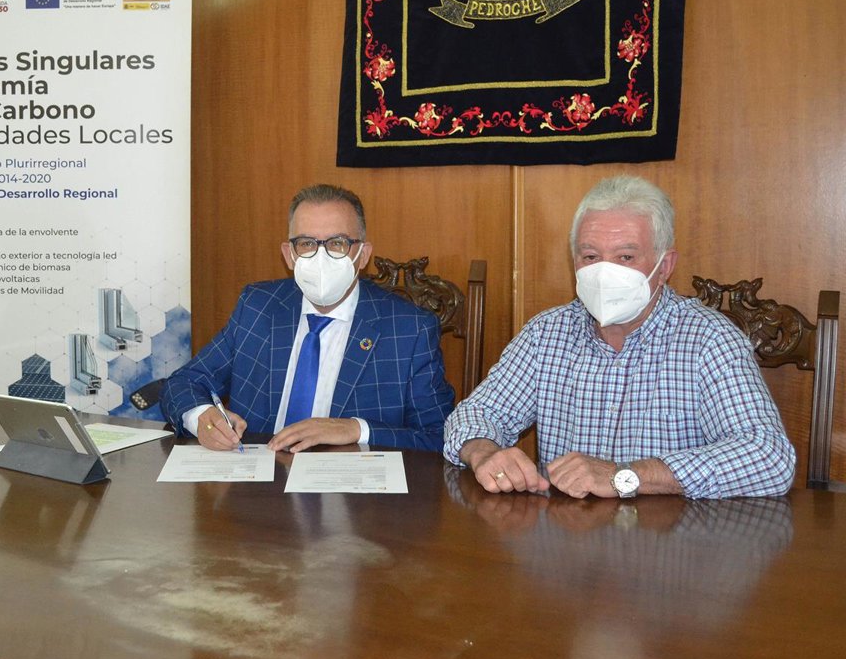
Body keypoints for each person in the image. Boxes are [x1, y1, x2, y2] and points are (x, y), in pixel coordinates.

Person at [443, 175, 795, 498]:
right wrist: (484, 452)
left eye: (625, 257)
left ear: (665, 266)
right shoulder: (545, 334)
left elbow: (770, 457)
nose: (604, 272)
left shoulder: (710, 340)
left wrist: (627, 476)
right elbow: (476, 413)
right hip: (566, 537)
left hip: (669, 541)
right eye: (591, 256)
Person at [161, 183, 454, 452]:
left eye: (337, 243)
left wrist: (357, 429)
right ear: (289, 255)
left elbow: (437, 435)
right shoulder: (258, 306)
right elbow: (184, 382)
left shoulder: (409, 329)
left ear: (363, 255)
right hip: (255, 480)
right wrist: (201, 417)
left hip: (348, 489)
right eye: (307, 243)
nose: (320, 257)